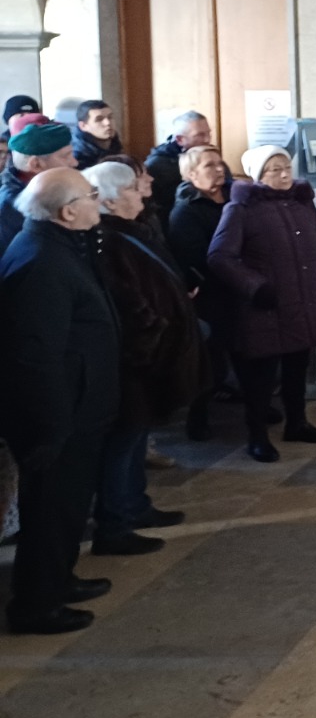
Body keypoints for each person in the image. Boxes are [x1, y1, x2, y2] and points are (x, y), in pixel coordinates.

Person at [0, 168, 119, 634]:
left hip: (78, 407)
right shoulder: (41, 263)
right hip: (59, 416)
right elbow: (36, 356)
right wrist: (53, 426)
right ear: (68, 212)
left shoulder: (60, 248)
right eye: (93, 196)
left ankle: (59, 580)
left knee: (67, 505)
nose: (99, 203)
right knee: (50, 508)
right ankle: (36, 606)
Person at [80, 162, 201, 555]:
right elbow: (129, 303)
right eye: (133, 188)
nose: (143, 193)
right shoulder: (109, 241)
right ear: (110, 200)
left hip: (149, 357)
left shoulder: (130, 230)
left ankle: (135, 505)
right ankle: (115, 524)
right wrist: (155, 340)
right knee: (123, 441)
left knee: (136, 437)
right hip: (134, 362)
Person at [207, 145, 316, 462]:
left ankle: (298, 423)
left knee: (296, 369)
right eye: (274, 169)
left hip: (301, 303)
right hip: (266, 307)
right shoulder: (241, 209)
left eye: (286, 166)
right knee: (261, 378)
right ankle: (257, 436)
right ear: (258, 174)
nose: (283, 173)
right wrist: (255, 286)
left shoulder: (302, 204)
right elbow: (220, 257)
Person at [168, 143, 236, 439]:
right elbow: (193, 258)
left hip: (242, 289)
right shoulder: (187, 211)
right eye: (210, 165)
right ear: (191, 175)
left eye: (220, 163)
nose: (219, 169)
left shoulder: (236, 199)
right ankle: (199, 416)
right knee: (211, 360)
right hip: (212, 293)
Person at [1, 120, 78, 254]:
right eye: (66, 156)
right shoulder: (9, 208)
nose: (75, 162)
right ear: (36, 165)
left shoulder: (47, 191)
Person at [146, 111, 230, 227]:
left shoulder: (214, 158)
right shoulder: (157, 166)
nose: (207, 140)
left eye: (208, 134)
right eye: (200, 135)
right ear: (180, 139)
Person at [70, 100, 122, 170]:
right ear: (83, 126)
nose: (108, 123)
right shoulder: (77, 158)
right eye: (99, 119)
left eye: (110, 117)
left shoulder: (115, 144)